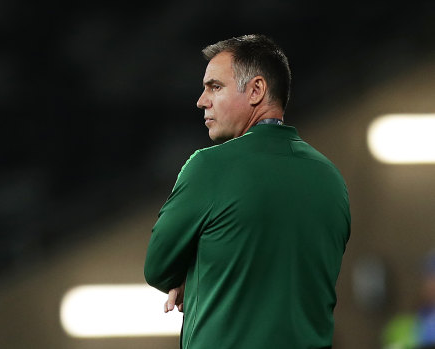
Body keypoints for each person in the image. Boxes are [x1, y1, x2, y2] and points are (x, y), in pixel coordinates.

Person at [144, 34, 351, 348]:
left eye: (215, 86)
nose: (202, 100)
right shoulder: (332, 179)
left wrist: (195, 280)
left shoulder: (209, 168)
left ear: (256, 90)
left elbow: (158, 267)